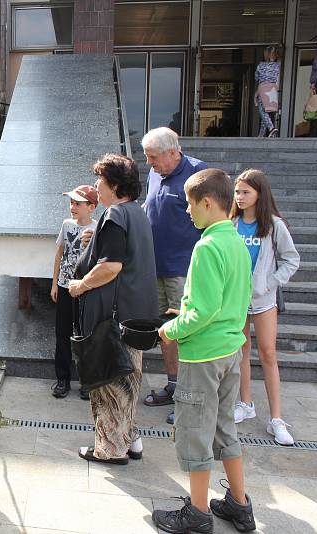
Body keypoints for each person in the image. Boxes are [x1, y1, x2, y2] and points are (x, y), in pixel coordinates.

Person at [152, 168, 256, 534]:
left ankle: (197, 514)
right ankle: (239, 505)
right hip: (230, 351)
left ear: (207, 202)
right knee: (224, 428)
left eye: (190, 205)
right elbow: (228, 301)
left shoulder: (207, 245)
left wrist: (171, 329)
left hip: (203, 357)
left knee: (195, 431)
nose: (187, 212)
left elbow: (204, 310)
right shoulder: (236, 242)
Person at [69, 154, 157, 464]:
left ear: (116, 186)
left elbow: (112, 267)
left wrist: (80, 286)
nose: (96, 186)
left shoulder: (115, 215)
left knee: (109, 385)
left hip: (112, 318)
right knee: (129, 380)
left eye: (100, 182)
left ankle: (110, 450)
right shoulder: (136, 213)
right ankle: (130, 441)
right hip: (136, 315)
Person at [141, 127, 207, 425]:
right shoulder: (155, 173)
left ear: (172, 151)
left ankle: (189, 397)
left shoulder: (198, 174)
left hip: (183, 269)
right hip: (155, 266)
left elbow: (213, 220)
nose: (149, 163)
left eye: (153, 157)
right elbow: (149, 207)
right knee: (165, 331)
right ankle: (174, 385)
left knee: (187, 333)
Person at [231, 169, 300, 446]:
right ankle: (245, 404)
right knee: (241, 351)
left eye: (246, 192)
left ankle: (276, 419)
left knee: (268, 354)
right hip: (236, 300)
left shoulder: (273, 225)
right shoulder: (231, 223)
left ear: (260, 193)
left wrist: (270, 283)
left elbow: (291, 260)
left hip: (263, 301)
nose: (240, 197)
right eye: (237, 192)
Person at [50, 185, 98, 400]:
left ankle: (87, 381)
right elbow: (59, 253)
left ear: (91, 207)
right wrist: (54, 284)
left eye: (78, 203)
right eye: (71, 203)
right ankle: (62, 379)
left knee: (85, 335)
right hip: (64, 286)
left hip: (86, 289)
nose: (73, 207)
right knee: (62, 333)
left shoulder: (98, 228)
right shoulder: (66, 225)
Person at [254, 44, 281, 137]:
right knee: (268, 112)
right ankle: (261, 135)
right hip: (273, 90)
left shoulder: (261, 65)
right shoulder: (278, 65)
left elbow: (256, 78)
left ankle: (271, 128)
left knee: (262, 110)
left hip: (263, 89)